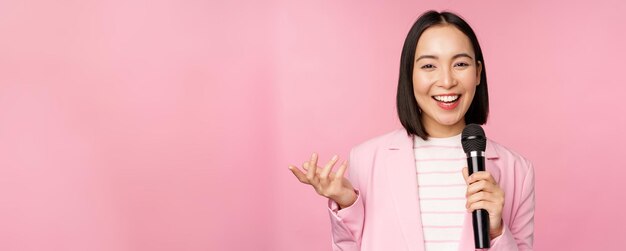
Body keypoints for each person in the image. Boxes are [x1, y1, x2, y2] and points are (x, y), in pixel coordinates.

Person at [288, 10, 534, 251]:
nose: (447, 81)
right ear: (410, 75)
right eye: (429, 66)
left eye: (460, 63)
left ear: (478, 73)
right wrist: (347, 204)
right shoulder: (366, 159)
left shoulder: (518, 171)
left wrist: (496, 231)